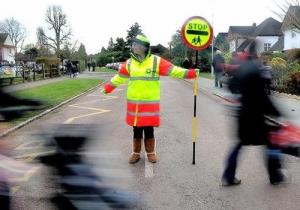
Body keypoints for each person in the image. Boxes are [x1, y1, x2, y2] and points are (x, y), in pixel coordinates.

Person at [102, 34, 199, 164]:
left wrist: (191, 73)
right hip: (134, 105)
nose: (134, 47)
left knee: (149, 129)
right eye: (133, 45)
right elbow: (119, 77)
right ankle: (136, 153)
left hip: (149, 105)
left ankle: (151, 153)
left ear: (144, 47)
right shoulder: (130, 63)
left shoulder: (155, 61)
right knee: (136, 130)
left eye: (136, 45)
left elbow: (174, 70)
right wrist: (108, 87)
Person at [222, 41, 285, 186]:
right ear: (256, 53)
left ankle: (228, 176)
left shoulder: (241, 67)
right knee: (272, 143)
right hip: (257, 117)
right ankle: (275, 176)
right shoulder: (257, 69)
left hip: (243, 115)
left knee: (238, 145)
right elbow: (262, 96)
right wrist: (277, 113)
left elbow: (231, 86)